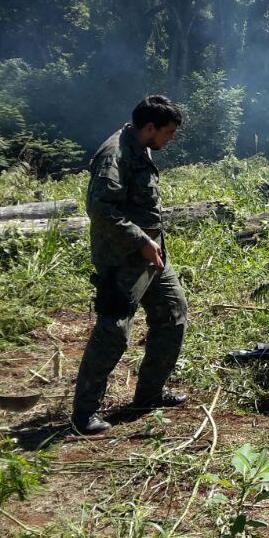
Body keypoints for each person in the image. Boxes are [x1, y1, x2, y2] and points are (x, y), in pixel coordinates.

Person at [71, 95, 189, 435]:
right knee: (114, 330)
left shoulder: (142, 147)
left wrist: (150, 246)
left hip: (151, 256)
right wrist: (141, 241)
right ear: (149, 128)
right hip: (123, 258)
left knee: (173, 311)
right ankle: (84, 413)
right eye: (168, 132)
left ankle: (150, 393)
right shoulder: (115, 154)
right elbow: (101, 210)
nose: (170, 138)